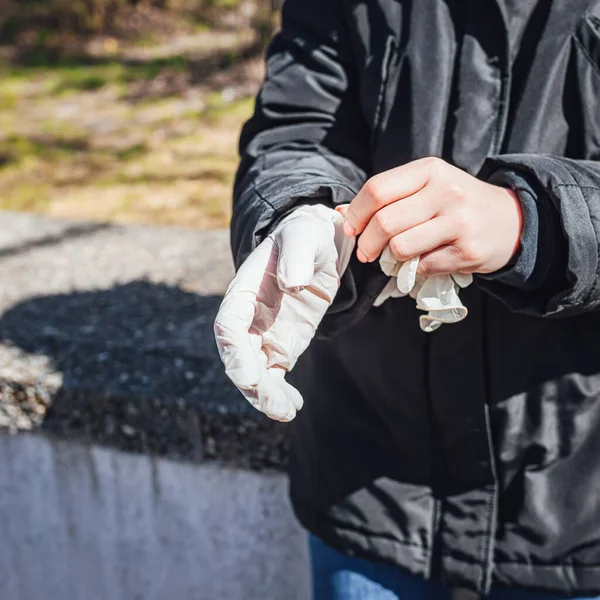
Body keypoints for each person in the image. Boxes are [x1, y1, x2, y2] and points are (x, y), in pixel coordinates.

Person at [214, 0, 600, 598]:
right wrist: (301, 213)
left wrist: (535, 223)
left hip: (579, 507)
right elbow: (297, 129)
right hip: (368, 480)